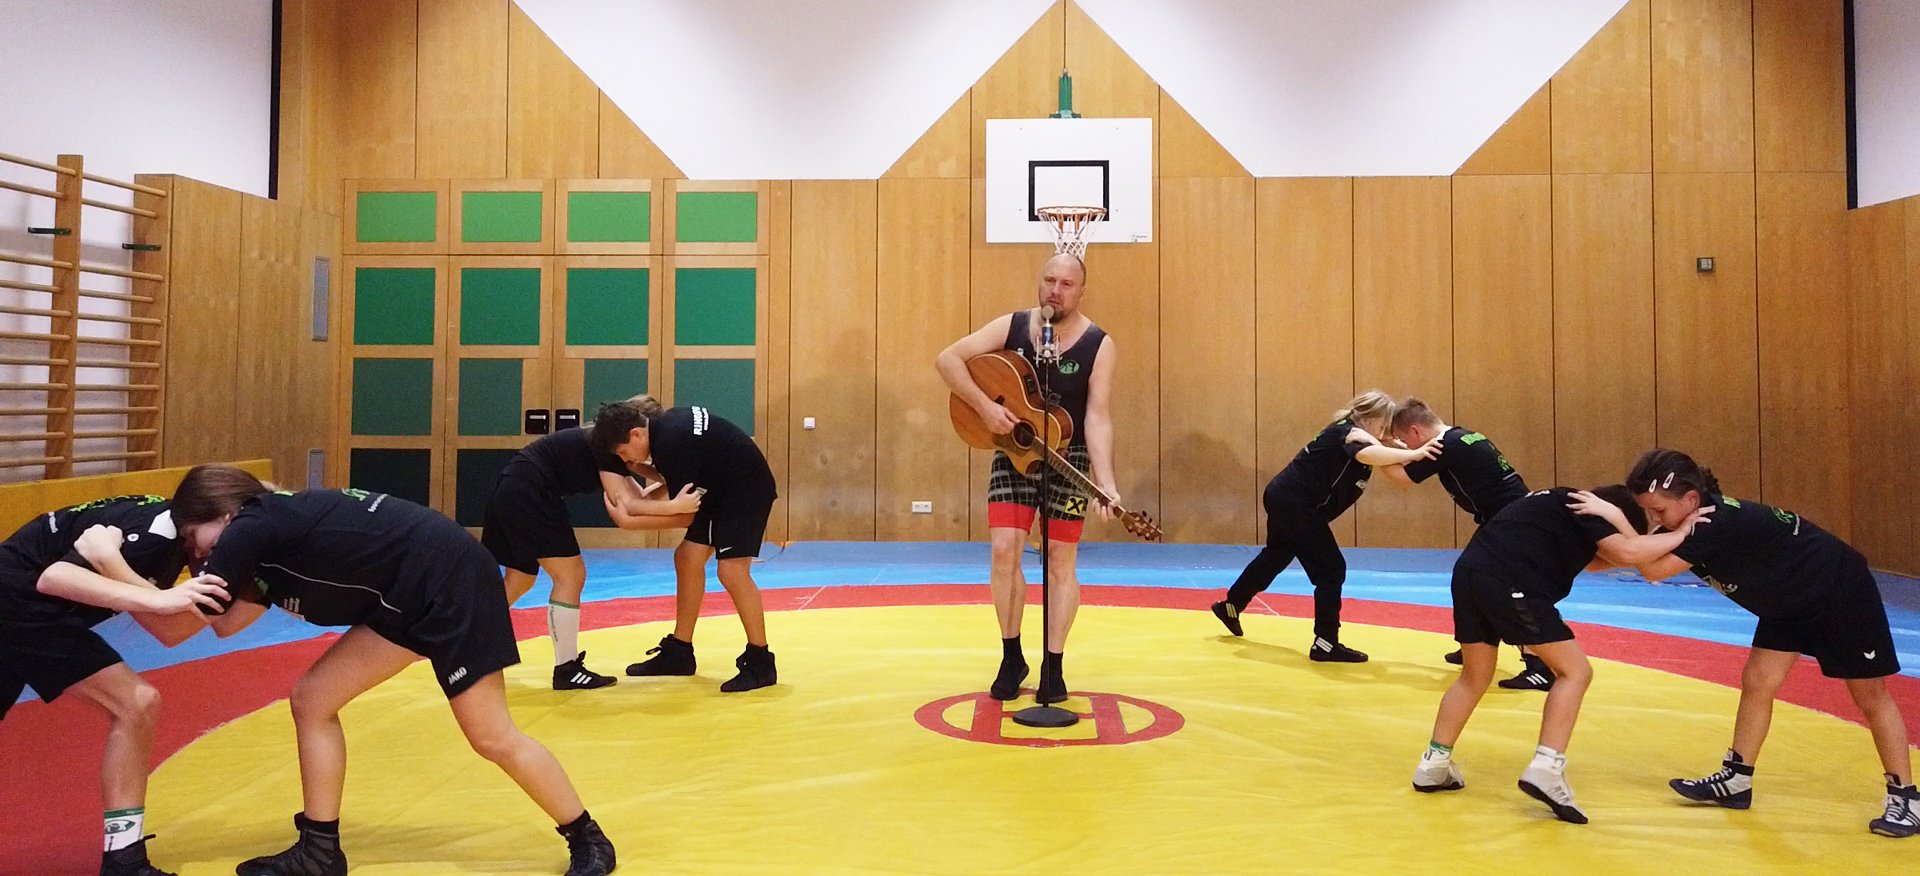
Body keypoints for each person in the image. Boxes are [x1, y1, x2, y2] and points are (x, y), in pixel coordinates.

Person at [168, 465, 616, 876]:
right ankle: (319, 850)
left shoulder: (252, 525)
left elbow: (186, 624)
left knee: (491, 735)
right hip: (406, 595)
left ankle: (587, 835)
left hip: (450, 584)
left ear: (224, 515)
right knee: (313, 699)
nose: (197, 553)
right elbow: (225, 625)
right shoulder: (268, 536)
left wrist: (127, 575)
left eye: (192, 537)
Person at [1601, 448, 1916, 837]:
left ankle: (1907, 798)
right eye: (1647, 512)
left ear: (1691, 500)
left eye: (1659, 511)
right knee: (1758, 681)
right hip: (1788, 598)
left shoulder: (1708, 525)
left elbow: (1650, 570)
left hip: (1837, 589)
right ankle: (1737, 779)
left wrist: (1617, 519)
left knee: (1870, 695)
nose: (1654, 520)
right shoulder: (1689, 522)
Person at [1413, 485, 1700, 824]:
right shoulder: (1589, 508)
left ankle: (1433, 764)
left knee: (1474, 677)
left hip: (1470, 574)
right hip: (1512, 581)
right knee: (1575, 672)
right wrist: (1680, 533)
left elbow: (1599, 561)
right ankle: (1547, 767)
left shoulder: (1559, 505)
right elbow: (1625, 552)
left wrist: (1630, 537)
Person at [0, 494, 226, 876]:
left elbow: (169, 632)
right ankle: (124, 858)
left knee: (137, 704)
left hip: (19, 595)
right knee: (136, 704)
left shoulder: (168, 529)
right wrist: (157, 597)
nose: (226, 551)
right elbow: (54, 578)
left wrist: (140, 584)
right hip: (22, 600)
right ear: (219, 514)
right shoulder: (154, 538)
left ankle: (124, 859)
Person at [934, 252, 1120, 703]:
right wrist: (985, 407)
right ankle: (1011, 655)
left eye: (1066, 284)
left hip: (1069, 454)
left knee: (1060, 557)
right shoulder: (1013, 326)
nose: (1055, 291)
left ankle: (1054, 664)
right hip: (1014, 452)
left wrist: (1107, 482)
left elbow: (1097, 417)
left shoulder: (1098, 344)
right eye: (1049, 280)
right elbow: (948, 360)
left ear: (1082, 292)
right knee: (1003, 550)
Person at [482, 395, 702, 690]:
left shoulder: (607, 445)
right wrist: (678, 509)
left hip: (511, 487)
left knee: (520, 579)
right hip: (530, 492)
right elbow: (627, 505)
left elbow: (637, 500)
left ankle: (469, 638)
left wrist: (668, 484)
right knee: (570, 576)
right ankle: (567, 668)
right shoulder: (606, 448)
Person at [1209, 391, 1439, 662]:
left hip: (1285, 498)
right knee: (1331, 569)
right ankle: (1326, 642)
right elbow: (1368, 454)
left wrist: (1401, 449)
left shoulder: (1352, 430)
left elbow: (1380, 450)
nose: (1386, 430)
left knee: (1276, 555)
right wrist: (1415, 452)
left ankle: (1231, 606)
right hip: (1297, 506)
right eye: (1384, 423)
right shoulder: (1350, 435)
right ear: (1371, 418)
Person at [591, 399, 780, 693]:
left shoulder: (671, 443)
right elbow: (680, 478)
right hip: (724, 488)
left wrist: (630, 520)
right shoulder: (668, 428)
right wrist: (643, 479)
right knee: (687, 558)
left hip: (743, 494)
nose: (626, 460)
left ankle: (761, 662)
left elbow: (684, 514)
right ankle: (680, 651)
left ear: (636, 434)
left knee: (732, 571)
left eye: (623, 451)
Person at [1383, 398, 1549, 690]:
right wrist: (1393, 447)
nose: (1407, 446)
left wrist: (1368, 452)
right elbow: (1411, 458)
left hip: (1510, 524)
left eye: (1405, 440)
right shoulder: (1461, 436)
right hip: (1509, 518)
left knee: (1505, 589)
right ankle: (1476, 644)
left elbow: (1401, 478)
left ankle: (1541, 668)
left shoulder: (1445, 446)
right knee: (1470, 580)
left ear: (1416, 430)